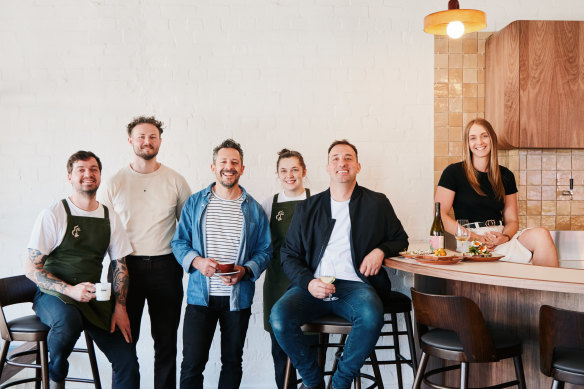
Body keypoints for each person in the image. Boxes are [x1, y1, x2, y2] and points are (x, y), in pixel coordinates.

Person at [270, 139, 409, 389]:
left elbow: (401, 239)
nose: (341, 163)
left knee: (370, 315)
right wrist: (309, 282)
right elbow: (288, 254)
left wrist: (380, 250)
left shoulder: (377, 202)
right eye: (335, 158)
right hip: (314, 285)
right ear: (327, 167)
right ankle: (314, 382)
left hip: (355, 286)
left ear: (358, 166)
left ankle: (340, 383)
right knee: (279, 316)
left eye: (347, 158)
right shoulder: (309, 207)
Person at [25, 151, 139, 389]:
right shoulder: (53, 214)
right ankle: (56, 377)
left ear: (99, 175)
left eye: (94, 169)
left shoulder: (110, 217)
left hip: (92, 297)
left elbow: (120, 265)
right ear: (70, 177)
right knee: (68, 321)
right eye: (81, 170)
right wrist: (70, 290)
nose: (88, 174)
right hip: (54, 295)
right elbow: (31, 268)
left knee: (127, 358)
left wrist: (119, 307)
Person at [171, 138, 272, 389]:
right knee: (192, 364)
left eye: (234, 162)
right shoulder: (195, 203)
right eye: (223, 162)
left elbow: (265, 250)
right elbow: (179, 242)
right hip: (199, 297)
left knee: (232, 363)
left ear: (242, 168)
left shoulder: (254, 209)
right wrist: (197, 261)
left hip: (237, 299)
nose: (229, 166)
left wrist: (246, 270)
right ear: (213, 167)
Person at [100, 116, 191, 389]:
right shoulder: (115, 181)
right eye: (141, 137)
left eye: (152, 136)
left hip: (166, 267)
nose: (147, 141)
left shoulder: (175, 180)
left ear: (160, 141)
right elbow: (103, 228)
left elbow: (188, 228)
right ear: (131, 141)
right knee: (124, 344)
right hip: (125, 268)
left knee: (166, 345)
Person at [435, 118, 558, 267]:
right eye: (473, 138)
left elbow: (512, 221)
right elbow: (440, 215)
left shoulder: (506, 175)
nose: (479, 142)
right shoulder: (453, 172)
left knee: (542, 235)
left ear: (492, 138)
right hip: (469, 239)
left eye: (484, 136)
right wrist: (475, 237)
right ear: (467, 143)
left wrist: (504, 237)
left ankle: (543, 289)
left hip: (499, 237)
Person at [261, 149, 312, 389]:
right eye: (284, 170)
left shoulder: (317, 202)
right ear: (277, 174)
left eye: (294, 169)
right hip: (278, 283)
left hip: (309, 284)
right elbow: (259, 246)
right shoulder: (268, 205)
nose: (289, 175)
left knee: (312, 347)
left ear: (303, 171)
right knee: (279, 349)